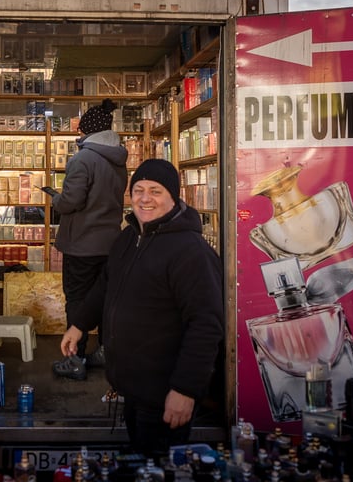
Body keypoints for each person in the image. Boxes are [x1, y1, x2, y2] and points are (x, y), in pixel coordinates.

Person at [59, 158, 224, 457]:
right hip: (133, 388)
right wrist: (79, 324)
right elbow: (105, 286)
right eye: (139, 190)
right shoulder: (129, 237)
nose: (145, 198)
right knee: (140, 461)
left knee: (158, 466)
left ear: (174, 197)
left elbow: (206, 325)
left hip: (166, 394)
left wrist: (185, 390)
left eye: (156, 191)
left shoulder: (191, 251)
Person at [46, 99, 128, 381]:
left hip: (81, 244)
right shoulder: (118, 160)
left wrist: (55, 198)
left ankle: (75, 357)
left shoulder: (82, 159)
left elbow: (71, 202)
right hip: (110, 244)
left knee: (78, 300)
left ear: (86, 130)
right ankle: (105, 350)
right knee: (106, 298)